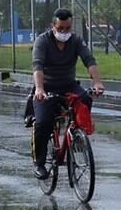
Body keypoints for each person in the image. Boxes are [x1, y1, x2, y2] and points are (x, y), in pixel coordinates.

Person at [31, 9, 105, 180]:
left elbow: (89, 60)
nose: (64, 32)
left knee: (85, 99)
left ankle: (77, 137)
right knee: (43, 122)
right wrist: (39, 89)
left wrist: (97, 82)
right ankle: (39, 163)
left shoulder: (76, 40)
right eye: (60, 28)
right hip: (46, 87)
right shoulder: (42, 41)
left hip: (68, 85)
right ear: (53, 26)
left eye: (68, 28)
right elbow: (38, 66)